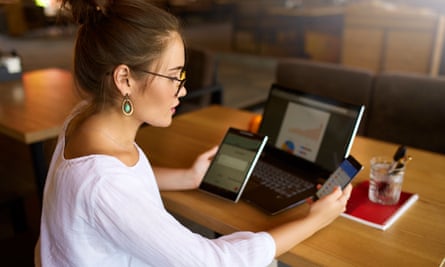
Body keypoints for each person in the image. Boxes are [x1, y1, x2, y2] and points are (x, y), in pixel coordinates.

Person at [35, 0, 352, 266]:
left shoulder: (84, 118)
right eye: (174, 76)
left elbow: (119, 181)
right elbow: (215, 263)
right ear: (124, 79)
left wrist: (188, 177)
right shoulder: (105, 185)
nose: (183, 90)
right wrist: (315, 220)